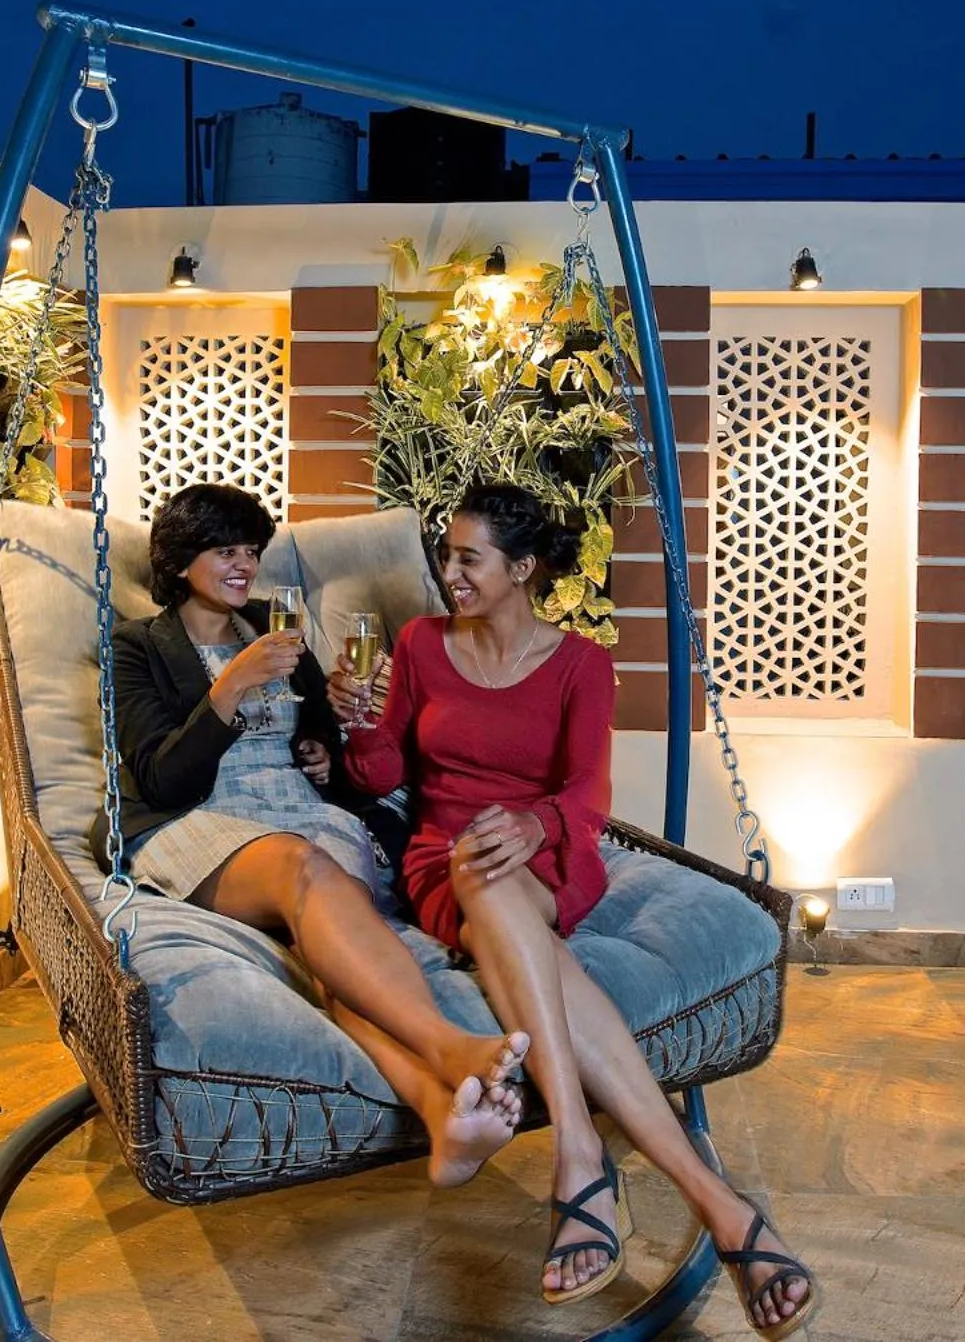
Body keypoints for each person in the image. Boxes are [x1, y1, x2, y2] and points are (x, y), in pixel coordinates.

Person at [330, 484, 819, 1337]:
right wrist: (359, 724)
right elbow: (377, 777)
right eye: (446, 555)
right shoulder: (418, 644)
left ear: (520, 569)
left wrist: (534, 821)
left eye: (466, 558)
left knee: (500, 876)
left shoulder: (581, 663)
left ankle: (583, 1164)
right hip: (444, 860)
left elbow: (588, 796)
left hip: (551, 861)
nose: (448, 573)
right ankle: (716, 1205)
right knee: (482, 875)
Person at [103, 482, 529, 1190]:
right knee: (304, 866)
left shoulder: (279, 627)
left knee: (335, 950)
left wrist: (325, 754)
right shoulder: (137, 646)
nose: (243, 564)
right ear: (181, 561)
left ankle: (438, 1113)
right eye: (223, 550)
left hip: (299, 808)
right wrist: (231, 686)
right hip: (205, 822)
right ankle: (450, 1045)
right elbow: (160, 778)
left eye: (250, 550)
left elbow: (321, 743)